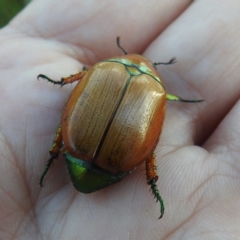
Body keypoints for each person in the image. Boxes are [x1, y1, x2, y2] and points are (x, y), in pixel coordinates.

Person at [0, 1, 239, 239]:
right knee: (150, 145)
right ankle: (151, 181)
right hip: (118, 159)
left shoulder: (100, 69)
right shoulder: (157, 93)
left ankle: (54, 153)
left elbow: (70, 109)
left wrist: (61, 81)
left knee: (72, 118)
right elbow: (150, 139)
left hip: (79, 144)